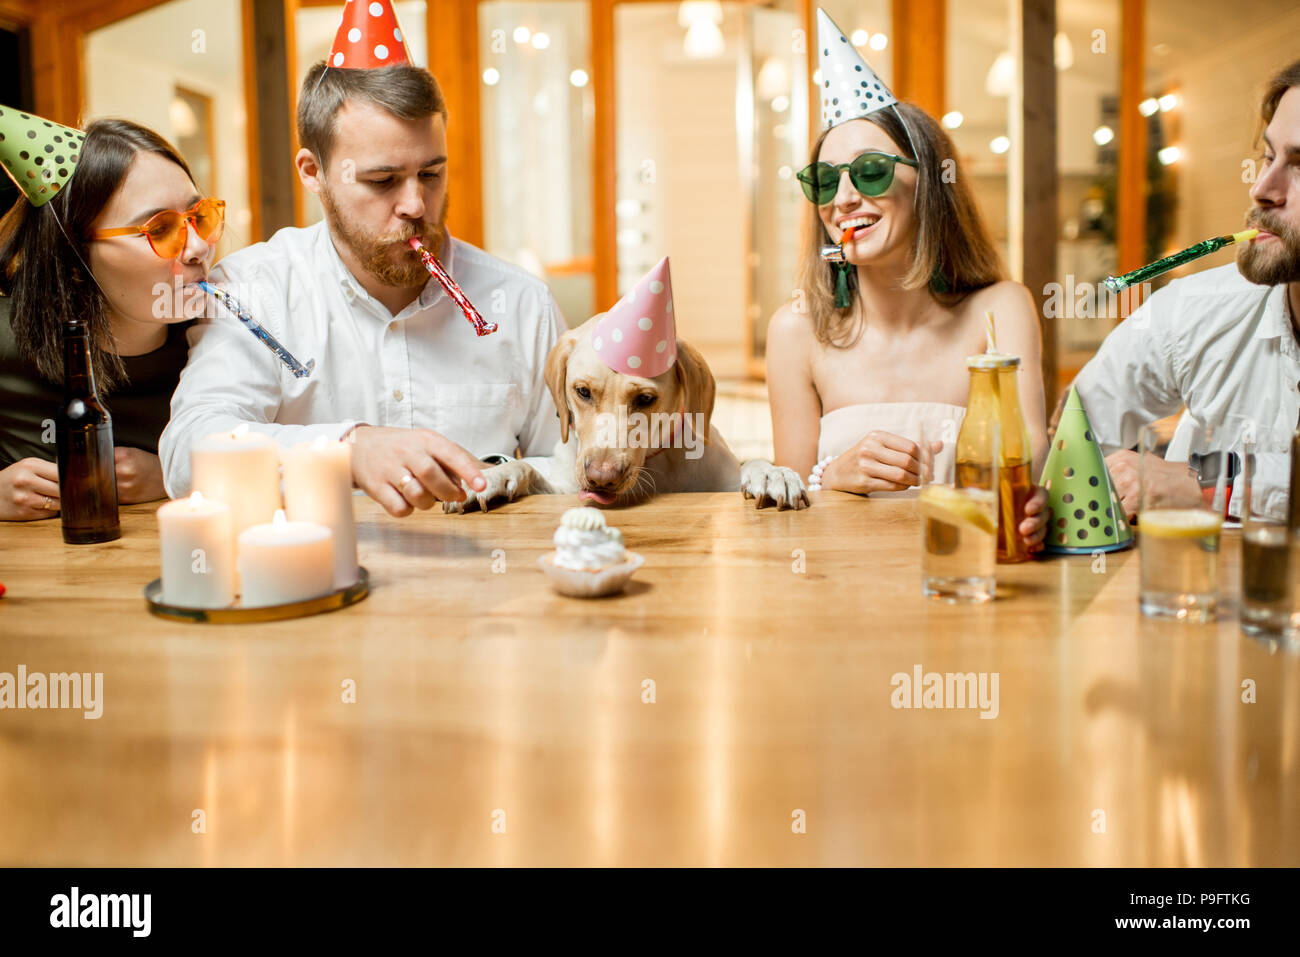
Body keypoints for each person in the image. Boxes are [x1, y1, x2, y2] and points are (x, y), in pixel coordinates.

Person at [159, 5, 562, 517]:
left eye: (431, 174)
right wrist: (345, 449)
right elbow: (187, 453)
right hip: (312, 589)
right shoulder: (255, 292)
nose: (416, 205)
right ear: (314, 171)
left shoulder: (522, 305)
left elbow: (570, 468)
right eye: (382, 180)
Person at [766, 10, 1047, 550]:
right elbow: (788, 514)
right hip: (846, 598)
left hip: (970, 587)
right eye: (826, 182)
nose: (844, 199)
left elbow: (1028, 473)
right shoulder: (796, 331)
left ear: (929, 185)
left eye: (869, 171)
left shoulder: (1001, 311)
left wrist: (1038, 511)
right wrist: (833, 478)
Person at [1073, 58, 1300, 521]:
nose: (1262, 188)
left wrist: (1204, 484)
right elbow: (1075, 434)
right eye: (1268, 157)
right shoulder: (1191, 308)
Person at [0, 112, 221, 521]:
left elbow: (294, 448)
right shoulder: (6, 342)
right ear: (73, 258)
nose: (198, 248)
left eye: (200, 217)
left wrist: (173, 475)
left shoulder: (224, 336)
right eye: (159, 229)